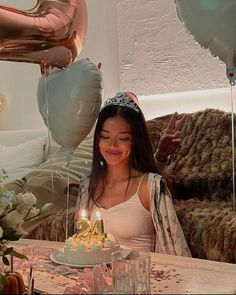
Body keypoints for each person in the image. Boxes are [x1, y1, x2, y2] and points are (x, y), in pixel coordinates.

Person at [75, 91, 191, 257]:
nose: (112, 145)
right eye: (105, 137)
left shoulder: (151, 186)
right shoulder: (88, 186)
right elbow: (79, 249)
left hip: (140, 278)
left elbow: (174, 249)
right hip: (95, 278)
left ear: (135, 140)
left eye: (123, 138)